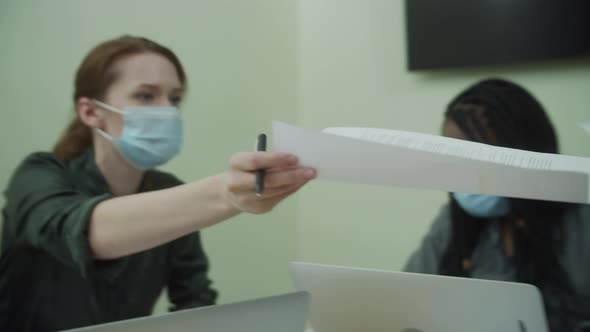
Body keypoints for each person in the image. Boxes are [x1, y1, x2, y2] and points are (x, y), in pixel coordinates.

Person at [0, 35, 316, 331]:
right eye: (146, 95)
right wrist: (225, 194)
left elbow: (195, 302)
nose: (167, 109)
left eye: (175, 98)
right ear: (91, 112)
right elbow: (82, 231)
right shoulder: (37, 175)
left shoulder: (171, 193)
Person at [404, 78, 590, 332]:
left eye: (478, 157)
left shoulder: (580, 219)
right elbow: (407, 304)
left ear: (526, 152)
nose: (465, 176)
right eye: (453, 158)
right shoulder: (453, 222)